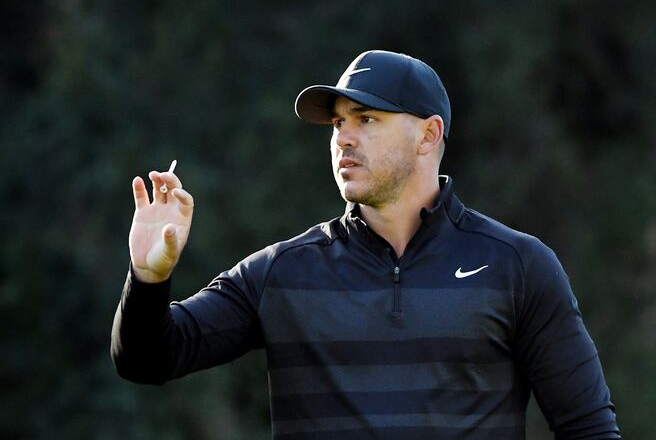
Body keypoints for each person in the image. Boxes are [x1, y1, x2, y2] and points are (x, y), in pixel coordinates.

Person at [111, 50, 620, 439]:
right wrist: (148, 278)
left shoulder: (519, 267)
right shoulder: (281, 272)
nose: (343, 139)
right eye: (338, 123)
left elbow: (588, 429)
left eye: (366, 119)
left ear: (428, 135)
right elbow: (147, 361)